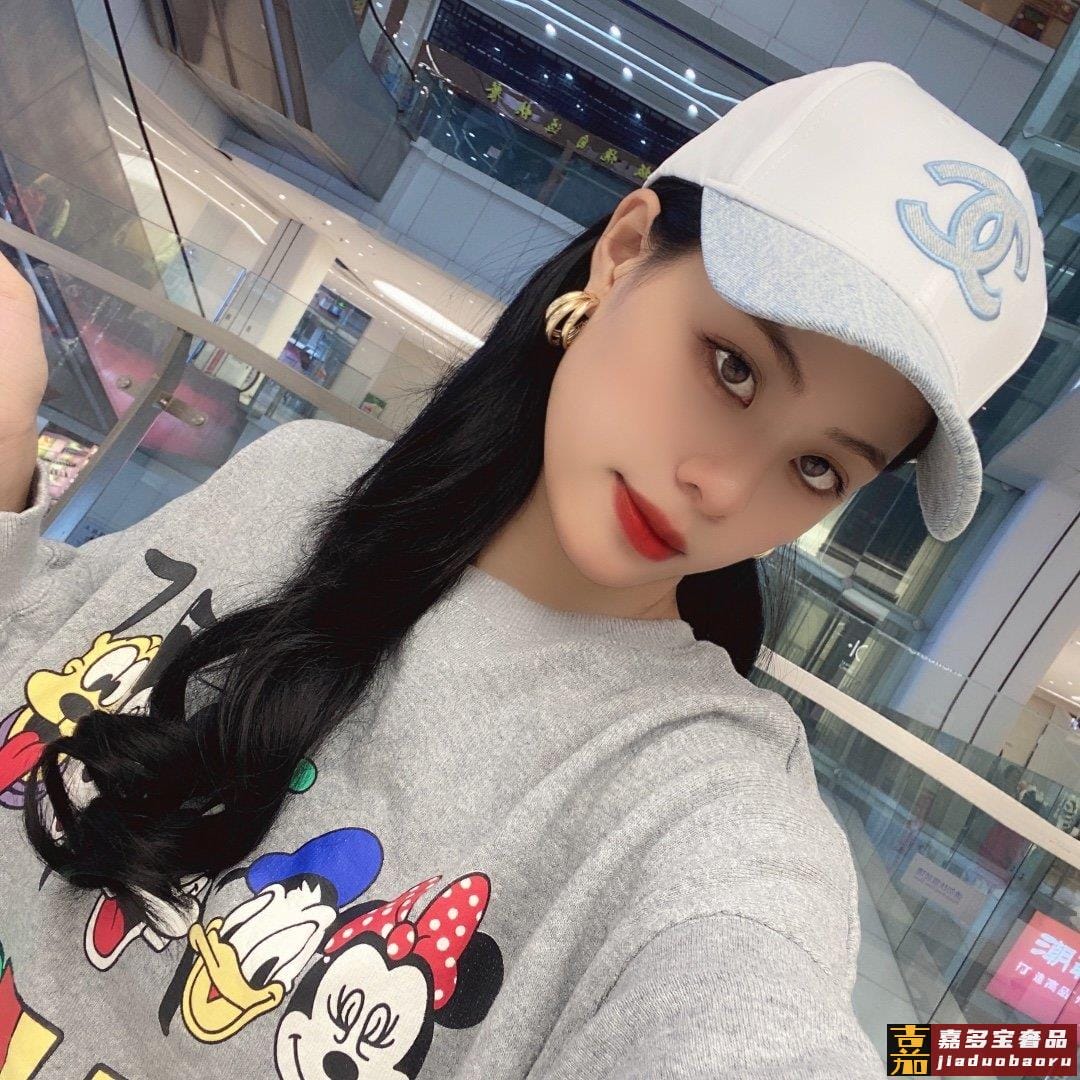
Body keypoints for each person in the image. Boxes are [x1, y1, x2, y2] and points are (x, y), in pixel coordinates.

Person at [0, 60, 1047, 1079]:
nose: (724, 488)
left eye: (818, 468)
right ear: (623, 256)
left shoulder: (698, 803)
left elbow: (744, 1008)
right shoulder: (299, 478)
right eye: (733, 367)